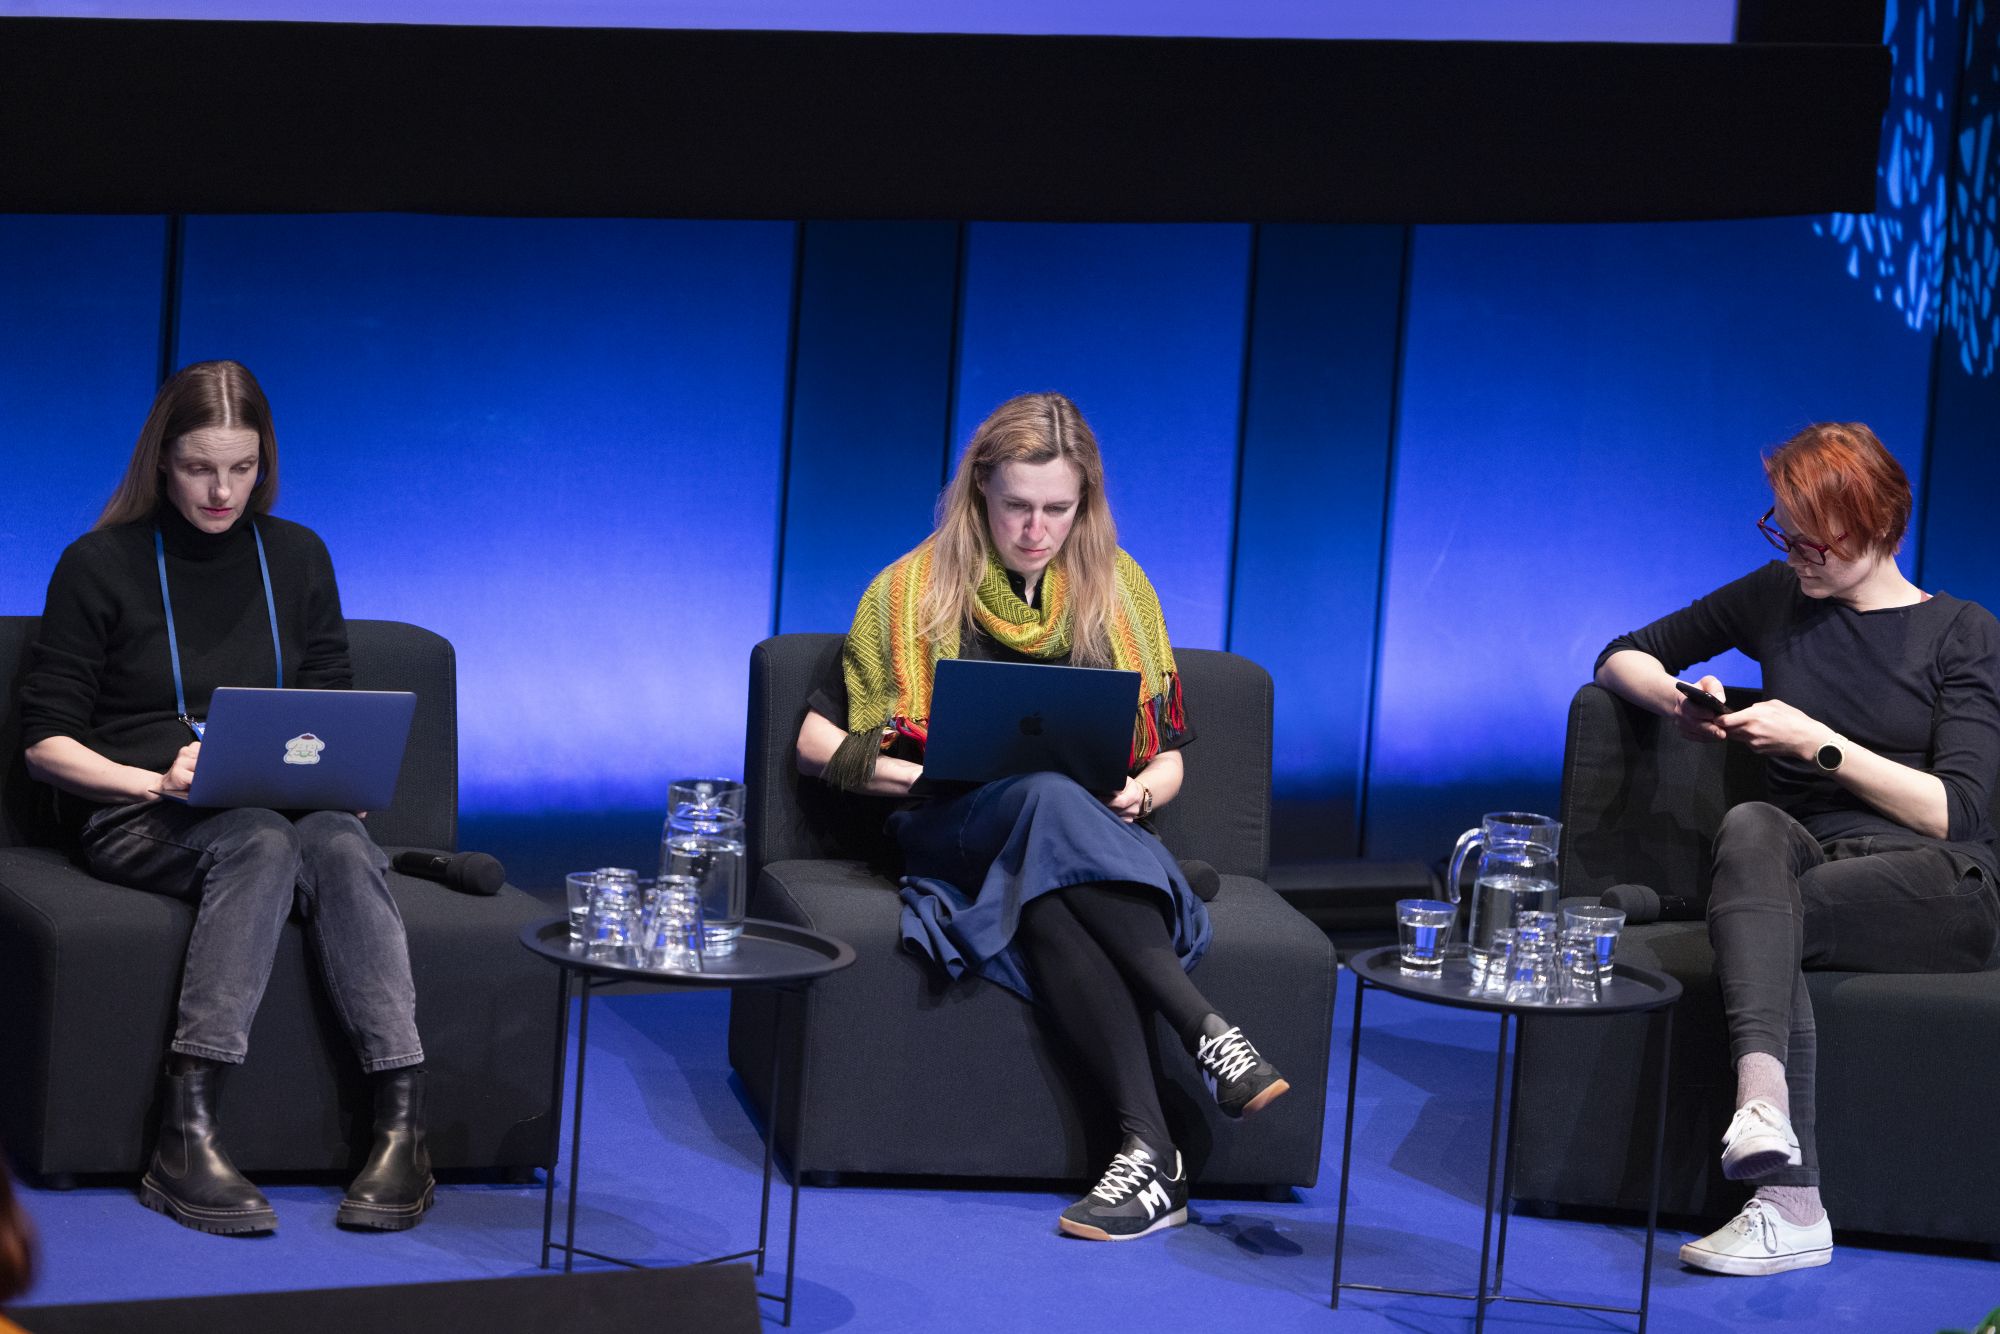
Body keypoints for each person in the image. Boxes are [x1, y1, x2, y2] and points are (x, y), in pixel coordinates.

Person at [795, 391, 1288, 1242]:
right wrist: (917, 774)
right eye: (1016, 506)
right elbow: (813, 743)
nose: (1036, 529)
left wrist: (1141, 793)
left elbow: (1168, 758)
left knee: (1051, 884)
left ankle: (1151, 1155)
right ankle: (1205, 1029)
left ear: (1084, 502)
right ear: (979, 492)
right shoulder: (909, 589)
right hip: (946, 830)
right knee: (1048, 795)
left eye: (1057, 509)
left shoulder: (1120, 589)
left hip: (1070, 845)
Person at [18, 361, 433, 1236]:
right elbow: (45, 744)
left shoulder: (298, 556)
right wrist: (157, 779)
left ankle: (402, 1125)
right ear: (161, 462)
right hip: (136, 810)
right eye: (199, 468)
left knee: (339, 841)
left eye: (242, 468)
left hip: (277, 808)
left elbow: (330, 702)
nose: (221, 491)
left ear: (264, 463)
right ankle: (186, 1130)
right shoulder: (99, 564)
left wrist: (339, 776)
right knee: (260, 840)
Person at [1595, 422, 2000, 1276]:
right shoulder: (1779, 596)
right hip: (1813, 861)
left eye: (1817, 538)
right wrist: (1680, 705)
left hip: (1940, 884)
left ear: (1879, 523)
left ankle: (1787, 1200)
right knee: (1751, 827)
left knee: (1761, 920)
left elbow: (1955, 813)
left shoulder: (1963, 632)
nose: (1797, 554)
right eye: (1784, 532)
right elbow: (1619, 657)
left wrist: (1818, 744)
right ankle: (1768, 1123)